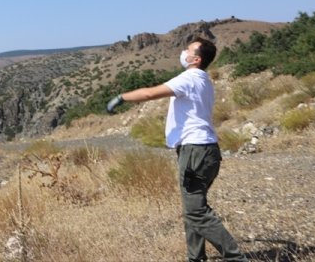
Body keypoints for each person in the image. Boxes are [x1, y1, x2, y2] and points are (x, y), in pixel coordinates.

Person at [106, 38, 247, 262]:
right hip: (207, 150)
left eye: (188, 50)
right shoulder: (204, 80)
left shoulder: (189, 78)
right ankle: (195, 257)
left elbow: (150, 93)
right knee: (194, 207)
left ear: (196, 59)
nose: (183, 52)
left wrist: (121, 97)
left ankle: (236, 258)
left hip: (195, 151)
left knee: (195, 211)